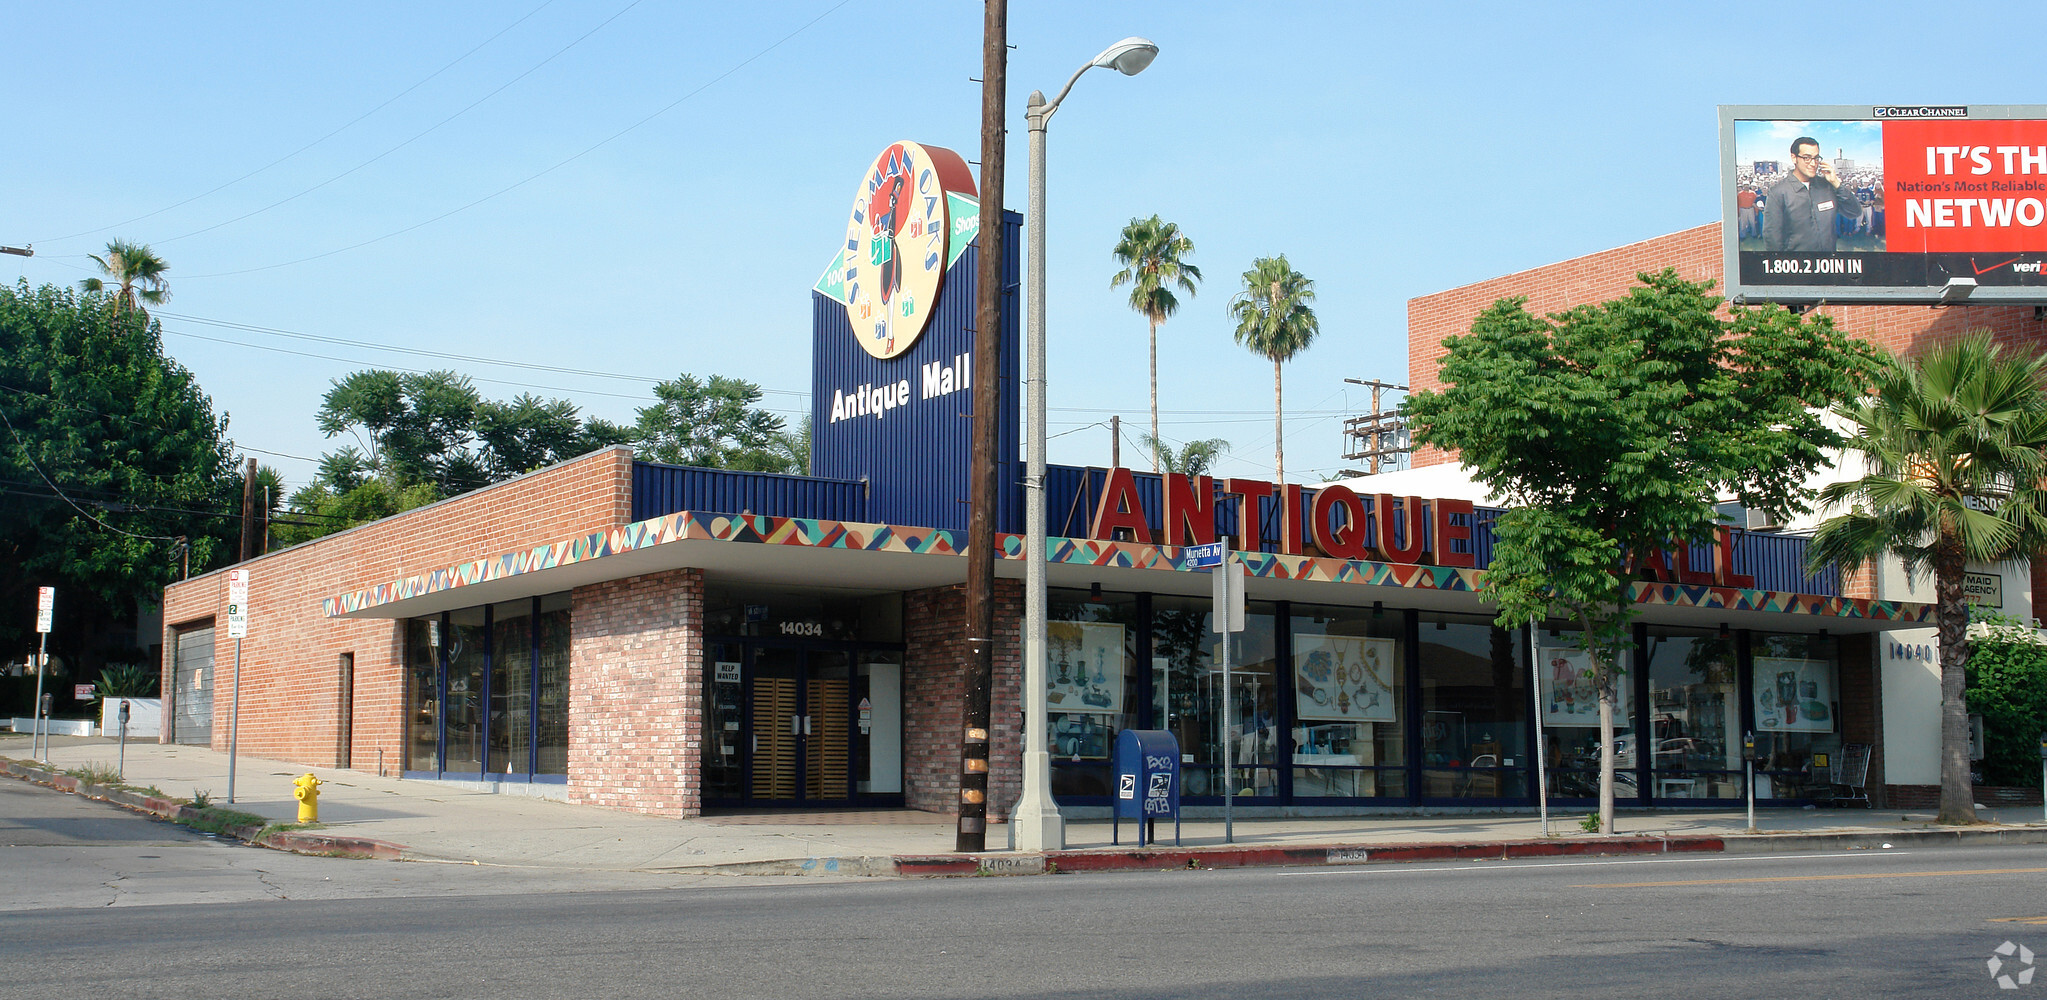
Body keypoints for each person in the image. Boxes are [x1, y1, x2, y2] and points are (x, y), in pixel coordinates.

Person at [1763, 137, 1861, 251]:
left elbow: (1855, 211)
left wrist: (1836, 183)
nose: (1813, 163)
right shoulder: (1778, 192)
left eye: (1816, 158)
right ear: (1794, 158)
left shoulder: (1827, 186)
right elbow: (1772, 238)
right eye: (1807, 158)